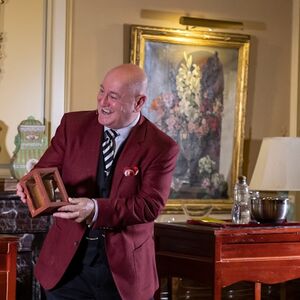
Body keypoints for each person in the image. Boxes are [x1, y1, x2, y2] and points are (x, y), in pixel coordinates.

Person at [17, 63, 179, 300]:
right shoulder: (73, 126)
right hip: (66, 270)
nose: (102, 102)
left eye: (113, 97)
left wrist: (94, 209)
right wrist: (31, 189)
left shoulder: (161, 147)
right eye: (101, 91)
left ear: (139, 102)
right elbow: (44, 172)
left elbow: (149, 205)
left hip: (122, 276)